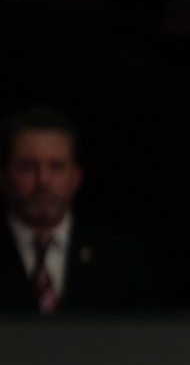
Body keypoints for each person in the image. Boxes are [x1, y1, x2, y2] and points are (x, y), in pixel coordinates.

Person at [0, 106, 154, 313]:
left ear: (76, 177)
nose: (43, 181)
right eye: (28, 166)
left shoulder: (122, 259)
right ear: (4, 176)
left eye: (57, 166)